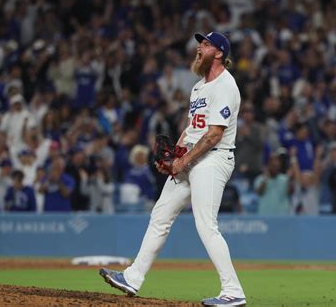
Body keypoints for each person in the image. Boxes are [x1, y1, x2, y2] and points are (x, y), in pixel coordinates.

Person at [99, 32, 246, 306]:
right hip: (192, 159)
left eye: (205, 44)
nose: (199, 48)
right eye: (199, 44)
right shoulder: (199, 87)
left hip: (213, 159)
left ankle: (233, 291)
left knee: (206, 224)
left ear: (219, 53)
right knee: (160, 215)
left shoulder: (226, 85)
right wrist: (174, 156)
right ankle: (133, 277)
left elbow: (214, 135)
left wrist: (182, 160)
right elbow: (192, 128)